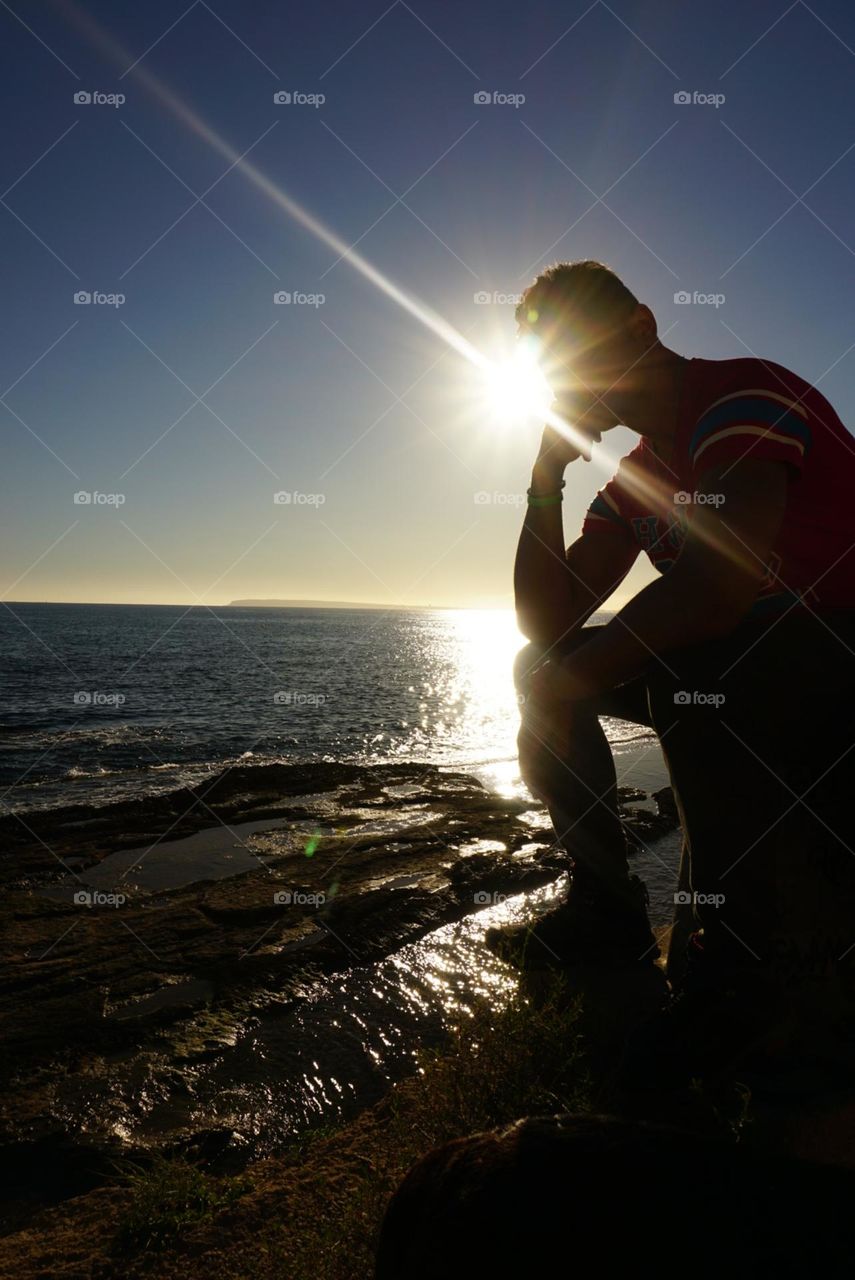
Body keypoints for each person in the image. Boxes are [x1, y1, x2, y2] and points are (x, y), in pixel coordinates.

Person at [485, 260, 855, 1076]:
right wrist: (545, 476)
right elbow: (546, 618)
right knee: (538, 662)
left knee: (699, 665)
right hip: (754, 657)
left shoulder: (740, 395)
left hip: (835, 644)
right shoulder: (636, 476)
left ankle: (738, 978)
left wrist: (583, 674)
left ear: (641, 329)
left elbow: (719, 586)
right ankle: (606, 907)